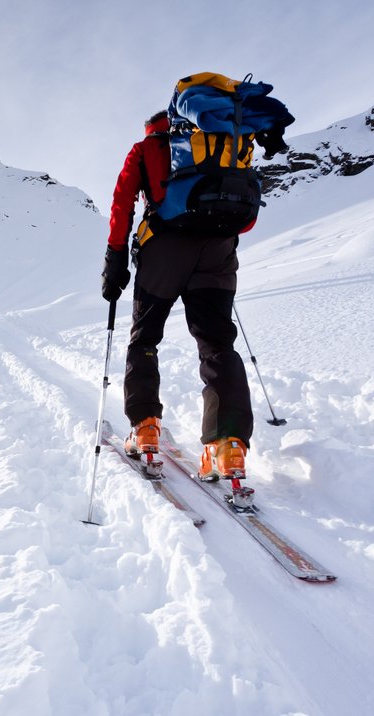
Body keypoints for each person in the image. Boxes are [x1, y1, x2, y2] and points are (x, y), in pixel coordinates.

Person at [101, 109, 252, 485]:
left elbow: (122, 203)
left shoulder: (147, 148)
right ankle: (228, 445)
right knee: (218, 345)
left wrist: (114, 259)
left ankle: (145, 427)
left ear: (151, 127)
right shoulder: (220, 145)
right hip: (218, 251)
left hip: (163, 249)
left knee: (145, 338)